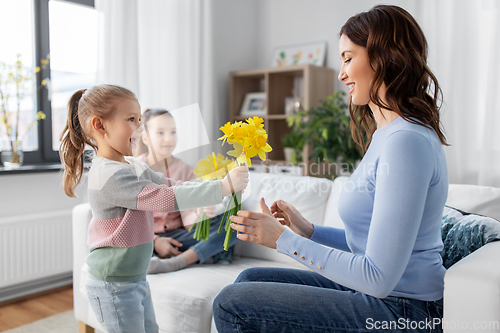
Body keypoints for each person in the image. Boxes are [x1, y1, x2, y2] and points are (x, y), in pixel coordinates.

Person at [213, 5, 448, 333]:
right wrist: (308, 230)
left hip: (402, 311)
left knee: (231, 303)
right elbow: (372, 245)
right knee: (251, 277)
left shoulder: (406, 142)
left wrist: (282, 239)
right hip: (388, 299)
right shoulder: (388, 135)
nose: (341, 74)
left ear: (382, 57)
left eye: (348, 58)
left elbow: (377, 278)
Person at [59, 84, 248, 333]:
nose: (138, 127)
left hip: (134, 277)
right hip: (112, 283)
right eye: (131, 119)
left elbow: (172, 185)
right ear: (100, 125)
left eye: (139, 119)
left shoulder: (130, 165)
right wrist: (222, 187)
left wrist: (218, 185)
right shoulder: (110, 175)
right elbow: (165, 197)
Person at [135, 108, 238, 274]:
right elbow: (129, 220)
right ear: (145, 138)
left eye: (173, 132)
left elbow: (188, 223)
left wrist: (201, 213)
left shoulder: (186, 171)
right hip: (145, 238)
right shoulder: (135, 170)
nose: (168, 138)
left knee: (235, 224)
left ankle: (178, 261)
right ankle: (204, 255)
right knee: (129, 243)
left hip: (179, 236)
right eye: (160, 132)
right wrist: (155, 241)